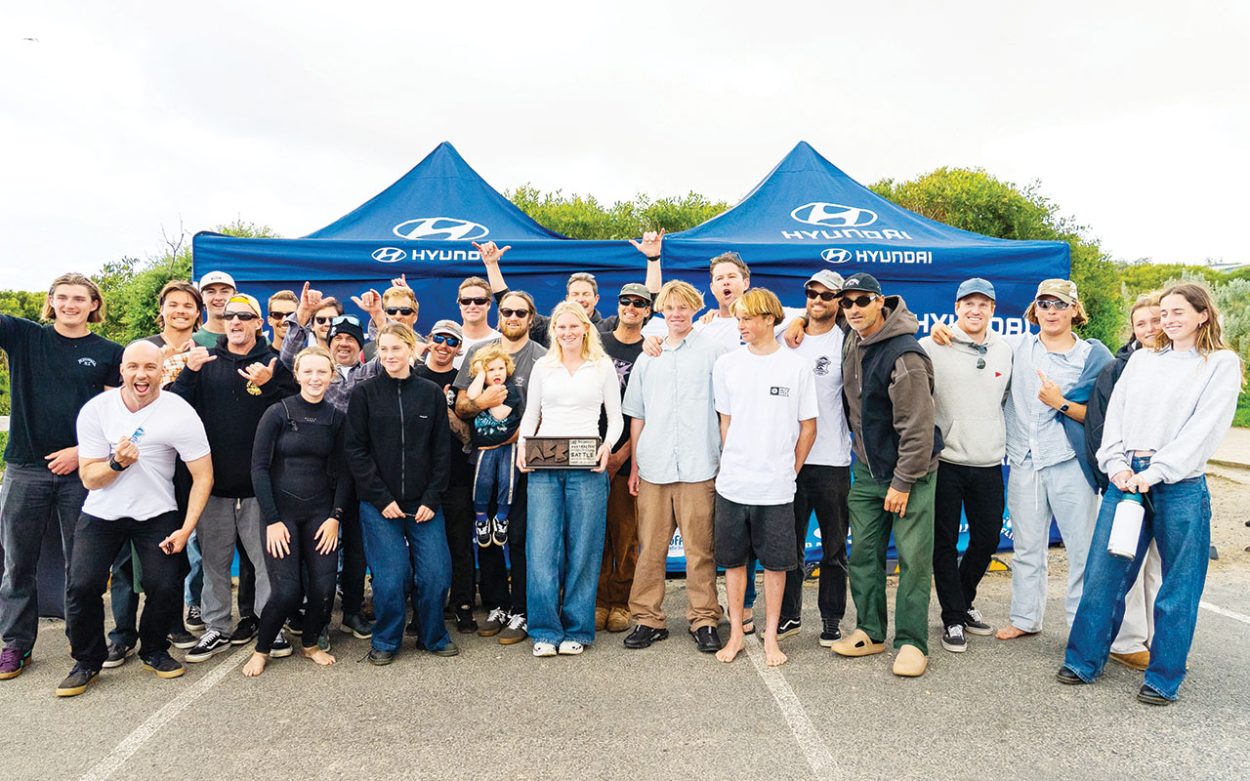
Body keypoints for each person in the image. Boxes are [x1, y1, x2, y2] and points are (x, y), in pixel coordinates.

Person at [1059, 283, 1241, 705]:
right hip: (1127, 480)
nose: (1169, 319)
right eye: (1164, 312)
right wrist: (1117, 464)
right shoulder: (1142, 360)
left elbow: (1206, 428)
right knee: (1105, 576)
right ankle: (1083, 660)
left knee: (1178, 587)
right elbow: (1115, 416)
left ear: (1202, 315)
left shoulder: (1219, 364)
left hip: (1179, 484)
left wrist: (1157, 471)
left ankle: (1162, 679)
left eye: (1179, 311)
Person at [55, 341, 213, 696]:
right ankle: (87, 661)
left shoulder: (180, 411)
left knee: (165, 584)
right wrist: (116, 464)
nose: (141, 375)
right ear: (122, 370)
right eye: (134, 367)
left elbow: (203, 476)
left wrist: (186, 529)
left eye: (150, 368)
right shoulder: (97, 410)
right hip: (102, 513)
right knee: (82, 585)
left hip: (156, 512)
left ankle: (154, 649)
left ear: (162, 371)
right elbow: (88, 478)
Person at [0, 273, 123, 681]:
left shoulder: (108, 352)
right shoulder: (23, 336)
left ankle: (83, 645)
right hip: (24, 469)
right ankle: (16, 645)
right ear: (51, 301)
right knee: (18, 563)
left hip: (81, 474)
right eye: (63, 297)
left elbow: (116, 414)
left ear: (94, 305)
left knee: (81, 566)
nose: (70, 304)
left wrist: (80, 453)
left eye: (79, 298)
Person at [170, 293, 298, 662]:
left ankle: (268, 624)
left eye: (245, 316)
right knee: (214, 562)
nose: (236, 322)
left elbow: (296, 410)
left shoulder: (273, 362)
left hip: (261, 487)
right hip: (214, 486)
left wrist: (271, 383)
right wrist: (188, 372)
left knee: (266, 562)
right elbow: (175, 407)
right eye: (230, 316)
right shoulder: (205, 360)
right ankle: (216, 627)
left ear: (259, 322)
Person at [829, 273, 941, 677]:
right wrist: (796, 323)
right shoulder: (853, 335)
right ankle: (871, 631)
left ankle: (912, 641)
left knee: (912, 560)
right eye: (847, 302)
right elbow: (814, 312)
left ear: (881, 302)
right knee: (863, 555)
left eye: (862, 301)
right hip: (866, 468)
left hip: (909, 473)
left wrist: (902, 481)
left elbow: (919, 427)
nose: (853, 309)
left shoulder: (904, 355)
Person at [712, 288, 817, 668]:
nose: (740, 324)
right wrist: (736, 460)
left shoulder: (796, 367)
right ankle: (738, 633)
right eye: (737, 318)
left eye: (747, 318)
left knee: (775, 566)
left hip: (776, 488)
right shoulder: (727, 365)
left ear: (769, 319)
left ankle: (771, 637)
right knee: (735, 563)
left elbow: (809, 427)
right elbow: (726, 421)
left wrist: (790, 470)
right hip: (733, 485)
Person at [622, 280, 728, 654]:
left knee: (701, 549)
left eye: (684, 307)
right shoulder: (648, 355)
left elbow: (724, 411)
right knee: (650, 547)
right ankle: (648, 619)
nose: (677, 313)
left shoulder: (714, 352)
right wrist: (634, 466)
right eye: (671, 308)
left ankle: (704, 618)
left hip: (700, 467)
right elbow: (637, 415)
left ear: (695, 309)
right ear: (661, 312)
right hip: (654, 466)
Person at [345, 324, 456, 664]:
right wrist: (381, 498)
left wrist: (431, 499)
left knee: (436, 576)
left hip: (424, 505)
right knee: (391, 580)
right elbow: (356, 451)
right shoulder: (364, 394)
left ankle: (432, 635)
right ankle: (386, 640)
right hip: (380, 506)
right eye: (385, 349)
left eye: (397, 349)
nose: (390, 356)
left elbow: (441, 452)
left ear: (411, 349)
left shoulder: (430, 393)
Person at [517, 301, 622, 657]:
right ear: (554, 331)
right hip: (545, 465)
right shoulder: (543, 366)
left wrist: (607, 446)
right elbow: (532, 414)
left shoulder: (601, 365)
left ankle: (578, 628)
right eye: (561, 327)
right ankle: (545, 630)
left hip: (587, 466)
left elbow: (617, 417)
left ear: (585, 328)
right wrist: (522, 446)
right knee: (542, 550)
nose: (567, 332)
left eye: (573, 326)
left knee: (584, 549)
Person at [277, 282, 377, 640]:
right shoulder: (317, 373)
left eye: (351, 339)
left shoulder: (370, 372)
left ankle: (351, 611)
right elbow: (286, 361)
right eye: (338, 339)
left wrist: (378, 317)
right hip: (320, 476)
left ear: (359, 344)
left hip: (362, 474)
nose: (344, 344)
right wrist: (301, 316)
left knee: (356, 549)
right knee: (316, 550)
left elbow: (392, 350)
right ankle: (315, 619)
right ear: (329, 343)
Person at [919, 278, 1012, 654]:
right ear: (956, 307)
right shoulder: (932, 344)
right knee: (943, 543)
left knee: (988, 537)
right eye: (968, 304)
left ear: (993, 309)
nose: (975, 310)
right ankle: (953, 618)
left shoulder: (1006, 348)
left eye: (983, 304)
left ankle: (962, 599)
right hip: (947, 461)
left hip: (988, 459)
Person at [243, 346, 348, 677]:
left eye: (322, 372)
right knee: (288, 592)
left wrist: (335, 517)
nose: (315, 378)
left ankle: (311, 643)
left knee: (323, 590)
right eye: (309, 372)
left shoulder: (337, 418)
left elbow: (345, 472)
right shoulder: (277, 412)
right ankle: (262, 648)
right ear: (298, 375)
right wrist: (272, 520)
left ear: (332, 376)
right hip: (281, 515)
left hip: (321, 514)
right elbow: (259, 468)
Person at [453, 291, 546, 646]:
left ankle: (522, 609)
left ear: (531, 317)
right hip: (482, 460)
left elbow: (548, 406)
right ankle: (498, 605)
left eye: (520, 312)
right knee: (486, 533)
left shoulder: (540, 357)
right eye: (506, 310)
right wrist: (481, 402)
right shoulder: (481, 353)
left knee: (519, 537)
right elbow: (460, 404)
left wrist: (522, 433)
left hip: (524, 462)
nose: (512, 316)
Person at [1083, 292, 1164, 671]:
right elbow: (1100, 426)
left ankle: (1153, 636)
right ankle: (1127, 640)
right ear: (1132, 329)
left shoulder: (1183, 364)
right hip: (1124, 480)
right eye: (1141, 323)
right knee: (1124, 560)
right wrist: (1111, 476)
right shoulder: (1117, 369)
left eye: (1155, 320)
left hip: (1166, 481)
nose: (1149, 328)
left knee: (1156, 568)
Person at [775, 270, 853, 647]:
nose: (818, 300)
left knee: (834, 547)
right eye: (812, 293)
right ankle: (789, 615)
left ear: (838, 301)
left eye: (827, 295)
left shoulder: (846, 341)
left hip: (832, 459)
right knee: (787, 543)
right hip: (788, 459)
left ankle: (831, 618)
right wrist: (796, 320)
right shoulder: (787, 334)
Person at [475, 234, 662, 345]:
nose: (580, 299)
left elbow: (648, 304)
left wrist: (653, 259)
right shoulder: (548, 327)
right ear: (566, 298)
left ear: (596, 299)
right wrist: (491, 265)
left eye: (586, 294)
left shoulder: (610, 328)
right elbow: (508, 302)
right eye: (575, 294)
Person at [595, 281, 652, 633]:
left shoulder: (652, 350)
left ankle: (621, 602)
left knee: (627, 536)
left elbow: (651, 409)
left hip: (629, 458)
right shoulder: (598, 344)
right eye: (626, 301)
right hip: (591, 451)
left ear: (648, 310)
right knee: (596, 537)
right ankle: (599, 601)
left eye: (639, 303)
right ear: (617, 305)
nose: (631, 307)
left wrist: (623, 453)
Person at [415, 320, 477, 634]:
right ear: (429, 339)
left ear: (458, 348)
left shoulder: (463, 381)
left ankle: (463, 604)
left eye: (451, 341)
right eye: (438, 338)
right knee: (420, 547)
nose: (443, 346)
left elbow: (470, 436)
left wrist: (447, 410)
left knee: (460, 543)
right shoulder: (414, 376)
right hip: (419, 480)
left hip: (457, 475)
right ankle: (422, 608)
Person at [467, 345, 522, 548]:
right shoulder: (480, 387)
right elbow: (472, 396)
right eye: (490, 369)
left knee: (507, 481)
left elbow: (500, 415)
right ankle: (481, 518)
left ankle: (501, 517)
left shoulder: (510, 390)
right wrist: (481, 374)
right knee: (483, 481)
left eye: (500, 368)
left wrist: (487, 398)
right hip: (483, 447)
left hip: (507, 445)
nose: (496, 373)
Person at [454, 277, 501, 367]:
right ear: (460, 305)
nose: (472, 306)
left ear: (488, 304)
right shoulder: (447, 343)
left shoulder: (501, 342)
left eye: (479, 301)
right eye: (466, 301)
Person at [192, 270, 236, 347]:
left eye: (224, 291)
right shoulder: (192, 341)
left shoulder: (250, 339)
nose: (218, 298)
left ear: (234, 296)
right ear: (202, 297)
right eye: (211, 292)